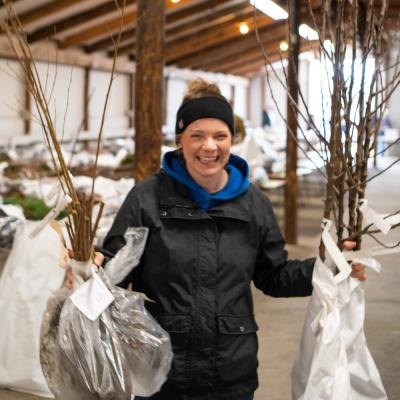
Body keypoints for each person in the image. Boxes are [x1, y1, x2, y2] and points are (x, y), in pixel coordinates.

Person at [100, 78, 366, 400]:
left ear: (232, 140)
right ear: (180, 140)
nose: (209, 147)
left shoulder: (253, 204)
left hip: (229, 370)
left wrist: (328, 268)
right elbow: (113, 274)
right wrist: (91, 267)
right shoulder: (146, 198)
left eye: (219, 136)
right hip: (160, 369)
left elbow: (274, 276)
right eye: (196, 135)